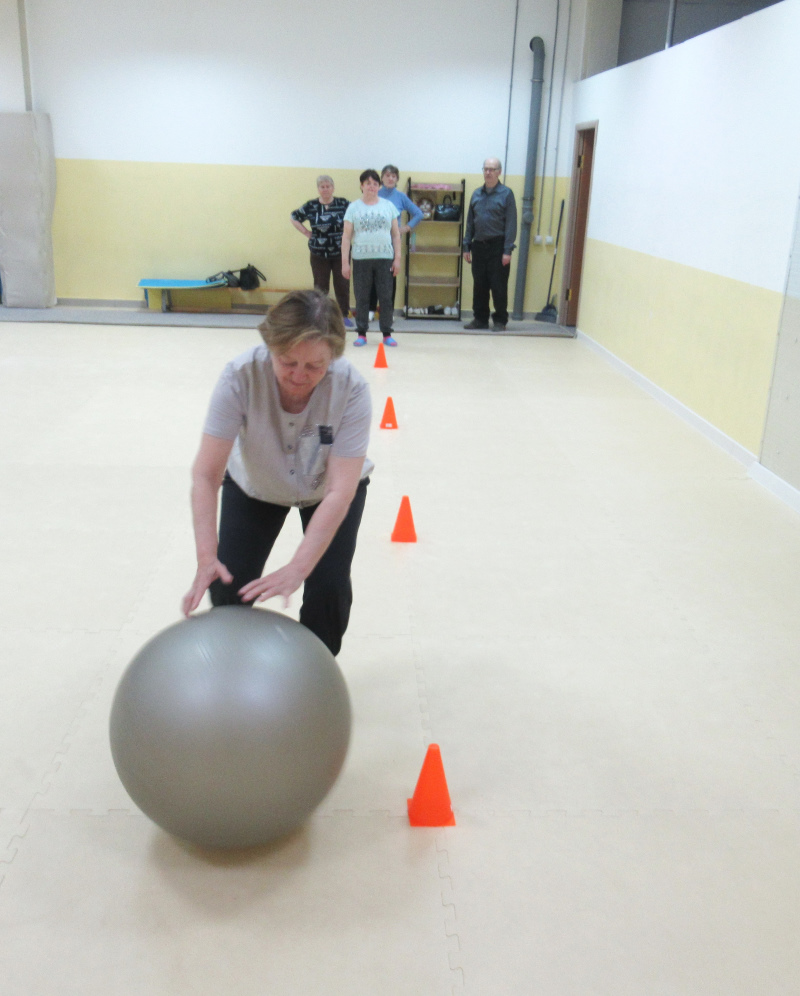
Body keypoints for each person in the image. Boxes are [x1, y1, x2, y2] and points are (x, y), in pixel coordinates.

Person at [181, 289, 372, 657]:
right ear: (270, 346)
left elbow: (340, 492)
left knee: (328, 588)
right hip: (257, 484)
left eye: (315, 366)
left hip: (327, 490)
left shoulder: (352, 389)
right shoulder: (239, 377)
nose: (299, 375)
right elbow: (205, 475)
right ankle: (233, 669)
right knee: (227, 586)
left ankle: (316, 674)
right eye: (287, 361)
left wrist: (299, 567)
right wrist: (206, 557)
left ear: (333, 357)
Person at [341, 169, 401, 347]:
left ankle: (387, 333)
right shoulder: (353, 208)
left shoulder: (388, 206)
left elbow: (396, 235)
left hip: (385, 258)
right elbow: (346, 237)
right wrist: (345, 262)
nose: (372, 187)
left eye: (375, 184)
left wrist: (397, 259)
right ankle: (361, 333)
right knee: (362, 297)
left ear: (379, 186)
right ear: (362, 186)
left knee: (386, 297)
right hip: (361, 259)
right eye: (368, 183)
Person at [462, 157, 518, 332]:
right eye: (485, 169)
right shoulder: (476, 194)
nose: (488, 172)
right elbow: (470, 222)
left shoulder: (506, 194)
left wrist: (507, 250)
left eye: (492, 169)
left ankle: (500, 321)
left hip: (498, 247)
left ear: (499, 172)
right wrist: (466, 245)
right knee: (480, 285)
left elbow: (511, 224)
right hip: (478, 246)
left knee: (498, 285)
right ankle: (480, 319)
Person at [291, 176, 354, 328]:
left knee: (342, 285)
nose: (325, 189)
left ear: (333, 188)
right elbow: (294, 217)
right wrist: (306, 232)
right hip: (318, 253)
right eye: (322, 187)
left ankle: (343, 315)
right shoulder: (311, 205)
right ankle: (320, 318)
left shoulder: (343, 204)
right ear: (318, 189)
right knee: (320, 287)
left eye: (328, 186)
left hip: (341, 253)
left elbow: (357, 216)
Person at [368, 164, 424, 316]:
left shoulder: (401, 197)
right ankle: (371, 309)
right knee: (372, 276)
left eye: (393, 176)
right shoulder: (374, 194)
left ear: (397, 179)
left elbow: (419, 214)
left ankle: (388, 311)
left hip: (392, 244)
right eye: (387, 175)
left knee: (389, 277)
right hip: (374, 242)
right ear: (382, 178)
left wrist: (406, 228)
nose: (390, 178)